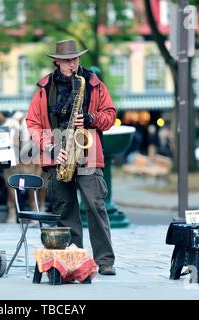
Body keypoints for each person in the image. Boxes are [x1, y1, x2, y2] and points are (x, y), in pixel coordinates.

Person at [26, 39, 117, 275]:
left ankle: (105, 261)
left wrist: (90, 119)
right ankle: (75, 259)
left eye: (75, 59)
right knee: (65, 210)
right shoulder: (45, 88)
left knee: (96, 206)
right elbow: (33, 123)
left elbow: (110, 115)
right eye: (67, 60)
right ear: (56, 61)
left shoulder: (94, 83)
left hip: (88, 154)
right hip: (59, 155)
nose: (72, 64)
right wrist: (52, 149)